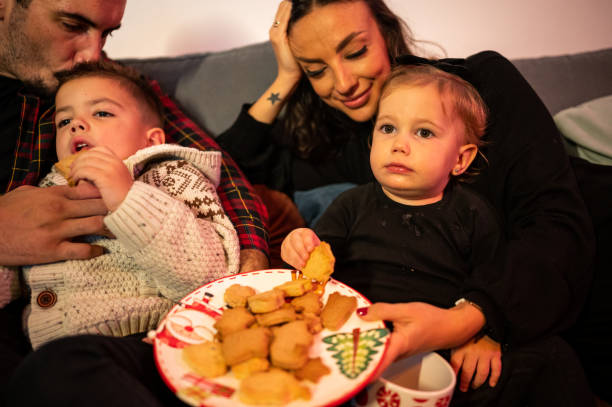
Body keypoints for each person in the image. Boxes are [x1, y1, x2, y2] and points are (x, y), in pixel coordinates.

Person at [215, 0, 601, 404]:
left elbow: (556, 223)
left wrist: (472, 321)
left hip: (578, 269)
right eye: (318, 69)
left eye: (356, 51)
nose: (343, 82)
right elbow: (221, 168)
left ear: (386, 33)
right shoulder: (353, 147)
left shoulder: (477, 86)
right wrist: (288, 75)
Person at [0, 0, 267, 401]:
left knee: (61, 371)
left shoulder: (113, 89)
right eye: (72, 24)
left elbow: (215, 182)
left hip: (132, 340)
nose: (92, 54)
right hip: (36, 338)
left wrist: (242, 286)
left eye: (108, 34)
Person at [282, 64, 505, 396]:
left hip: (439, 345)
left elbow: (492, 284)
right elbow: (315, 261)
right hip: (354, 337)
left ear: (461, 159)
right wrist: (297, 243)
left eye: (424, 133)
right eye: (388, 128)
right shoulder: (350, 204)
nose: (399, 144)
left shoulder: (473, 214)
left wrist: (482, 334)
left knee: (540, 363)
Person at [18, 60, 239, 350]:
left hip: (144, 338)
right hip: (42, 348)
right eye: (64, 121)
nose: (76, 125)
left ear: (152, 142)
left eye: (102, 112)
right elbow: (16, 255)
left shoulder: (170, 175)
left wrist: (128, 198)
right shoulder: (45, 189)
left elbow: (208, 277)